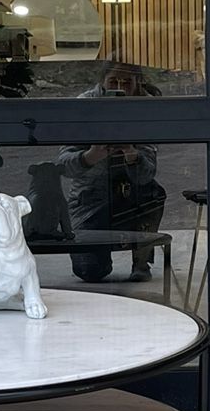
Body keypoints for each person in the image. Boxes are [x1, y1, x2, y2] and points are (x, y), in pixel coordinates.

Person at [56, 62, 166, 283]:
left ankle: (141, 259)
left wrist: (131, 154)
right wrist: (91, 156)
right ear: (102, 81)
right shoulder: (84, 105)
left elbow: (147, 174)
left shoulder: (146, 108)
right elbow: (63, 164)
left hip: (133, 193)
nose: (120, 87)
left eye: (127, 82)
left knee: (153, 194)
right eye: (114, 81)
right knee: (89, 271)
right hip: (91, 195)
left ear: (137, 83)